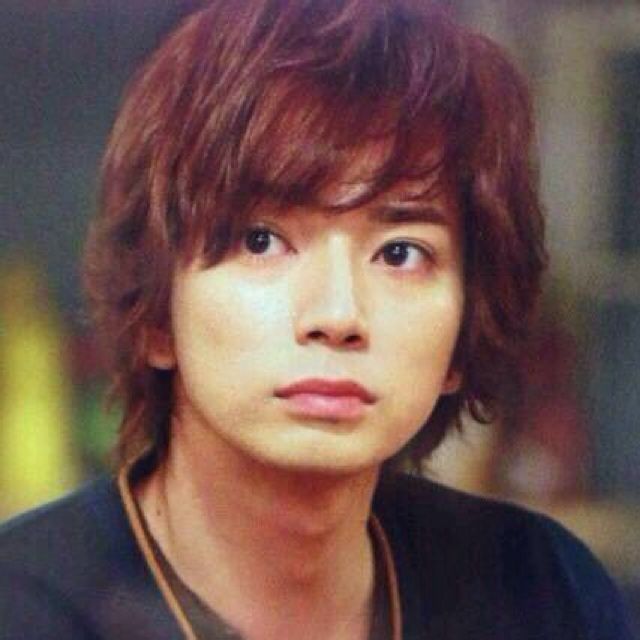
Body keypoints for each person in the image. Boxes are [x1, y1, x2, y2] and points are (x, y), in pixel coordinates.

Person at [0, 1, 634, 638]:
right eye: (261, 241)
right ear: (157, 315)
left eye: (400, 253)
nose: (337, 315)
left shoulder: (543, 592)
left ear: (463, 333)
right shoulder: (26, 608)